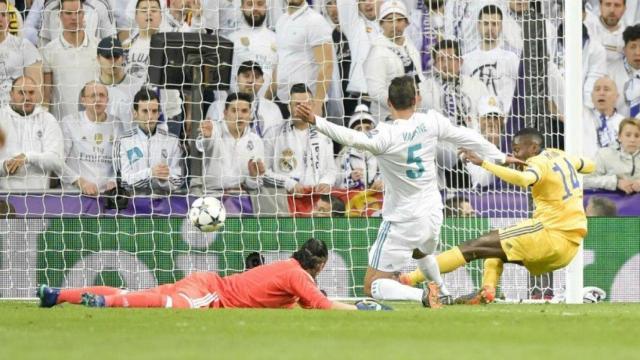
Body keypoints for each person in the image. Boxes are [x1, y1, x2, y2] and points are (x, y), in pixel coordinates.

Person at [295, 75, 509, 308]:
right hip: (433, 214)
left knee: (372, 285)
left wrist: (316, 120)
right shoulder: (431, 122)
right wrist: (500, 156)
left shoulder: (385, 135)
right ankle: (444, 293)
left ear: (389, 102)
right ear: (417, 99)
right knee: (421, 253)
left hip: (402, 219)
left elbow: (350, 137)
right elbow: (468, 136)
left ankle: (425, 296)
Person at [401, 128, 596, 305]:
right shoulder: (563, 156)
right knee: (493, 250)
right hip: (570, 248)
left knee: (473, 247)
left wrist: (483, 163)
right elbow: (589, 166)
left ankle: (407, 279)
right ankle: (487, 292)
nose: (515, 155)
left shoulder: (537, 162)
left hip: (549, 234)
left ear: (534, 147)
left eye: (518, 149)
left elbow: (524, 179)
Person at [36, 238, 391, 311]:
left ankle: (56, 294)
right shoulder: (300, 276)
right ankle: (105, 302)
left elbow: (308, 303)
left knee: (144, 289)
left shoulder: (287, 268)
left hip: (208, 282)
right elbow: (323, 306)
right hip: (213, 293)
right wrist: (361, 308)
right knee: (177, 305)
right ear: (322, 266)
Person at [113, 88, 184, 195]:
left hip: (165, 205)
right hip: (134, 205)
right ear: (135, 113)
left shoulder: (173, 141)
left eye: (154, 111)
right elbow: (123, 181)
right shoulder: (123, 141)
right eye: (145, 111)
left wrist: (163, 179)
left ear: (159, 113)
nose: (150, 116)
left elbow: (179, 180)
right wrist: (151, 173)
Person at [0, 76, 64, 190]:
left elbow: (57, 161)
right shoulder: (1, 118)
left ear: (37, 94)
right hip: (5, 199)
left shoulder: (48, 120)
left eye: (31, 92)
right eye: (21, 93)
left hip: (39, 198)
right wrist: (3, 166)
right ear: (11, 95)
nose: (27, 97)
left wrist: (28, 158)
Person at [363, 0, 423, 120]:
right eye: (389, 20)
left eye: (399, 20)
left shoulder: (411, 48)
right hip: (388, 117)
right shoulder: (377, 51)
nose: (395, 25)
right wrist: (402, 107)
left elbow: (419, 80)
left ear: (406, 23)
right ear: (381, 23)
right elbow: (376, 91)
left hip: (413, 114)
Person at [41, 0, 99, 122]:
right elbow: (47, 94)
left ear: (83, 15)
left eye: (78, 13)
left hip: (94, 123)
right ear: (60, 16)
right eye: (68, 13)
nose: (74, 18)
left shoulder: (98, 47)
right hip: (62, 125)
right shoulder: (49, 50)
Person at [60, 81, 121, 195]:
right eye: (92, 95)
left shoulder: (116, 123)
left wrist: (114, 180)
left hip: (106, 196)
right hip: (74, 194)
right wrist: (80, 182)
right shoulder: (70, 122)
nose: (97, 99)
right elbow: (58, 162)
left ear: (107, 100)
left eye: (102, 95)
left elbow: (121, 161)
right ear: (83, 100)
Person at [197, 92, 265, 193]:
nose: (240, 116)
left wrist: (253, 177)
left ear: (250, 115)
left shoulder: (256, 141)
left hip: (240, 198)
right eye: (234, 111)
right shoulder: (213, 130)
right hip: (211, 194)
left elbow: (255, 184)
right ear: (225, 113)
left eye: (244, 111)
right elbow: (201, 146)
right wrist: (207, 137)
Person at [461, 4, 519, 114]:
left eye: (494, 24)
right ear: (478, 25)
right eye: (486, 23)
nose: (490, 28)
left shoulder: (511, 58)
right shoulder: (466, 60)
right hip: (477, 122)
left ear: (501, 26)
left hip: (505, 121)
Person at [0, 0, 42, 108]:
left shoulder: (25, 46)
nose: (0, 19)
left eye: (3, 15)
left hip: (17, 116)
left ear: (9, 19)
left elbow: (37, 92)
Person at [585, 118, 640, 193]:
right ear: (619, 137)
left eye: (637, 136)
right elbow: (585, 180)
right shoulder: (604, 154)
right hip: (609, 202)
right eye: (628, 135)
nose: (632, 140)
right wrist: (616, 182)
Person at [334, 104, 382, 191]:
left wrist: (382, 183)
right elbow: (335, 187)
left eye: (368, 128)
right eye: (359, 128)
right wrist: (350, 180)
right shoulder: (342, 157)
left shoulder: (383, 154)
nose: (363, 132)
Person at [583, 76, 625, 160]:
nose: (601, 93)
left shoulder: (624, 123)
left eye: (606, 89)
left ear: (617, 96)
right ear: (591, 96)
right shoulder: (582, 115)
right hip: (587, 169)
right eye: (597, 89)